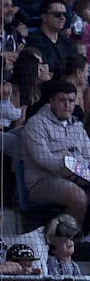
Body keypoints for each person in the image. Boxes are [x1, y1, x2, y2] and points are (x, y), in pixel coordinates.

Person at [22, 78, 90, 225]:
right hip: (42, 182)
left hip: (77, 178)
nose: (67, 105)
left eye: (71, 101)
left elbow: (88, 156)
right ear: (52, 101)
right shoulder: (36, 123)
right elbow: (43, 158)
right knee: (77, 196)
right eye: (62, 100)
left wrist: (81, 172)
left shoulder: (77, 126)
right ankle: (66, 241)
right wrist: (72, 169)